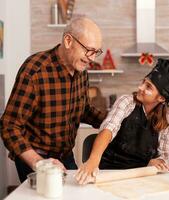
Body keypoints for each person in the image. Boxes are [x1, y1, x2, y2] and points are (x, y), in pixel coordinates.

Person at [0, 17, 105, 182]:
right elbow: (9, 126)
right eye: (88, 50)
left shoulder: (81, 71)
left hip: (65, 156)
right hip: (36, 158)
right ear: (68, 40)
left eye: (96, 52)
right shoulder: (35, 71)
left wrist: (113, 121)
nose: (92, 58)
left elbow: (83, 109)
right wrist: (39, 163)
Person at [75, 58, 169, 184]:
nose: (140, 87)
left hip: (141, 177)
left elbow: (166, 156)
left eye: (148, 87)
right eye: (143, 82)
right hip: (109, 173)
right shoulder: (126, 102)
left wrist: (157, 163)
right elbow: (108, 128)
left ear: (161, 98)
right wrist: (93, 160)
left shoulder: (168, 121)